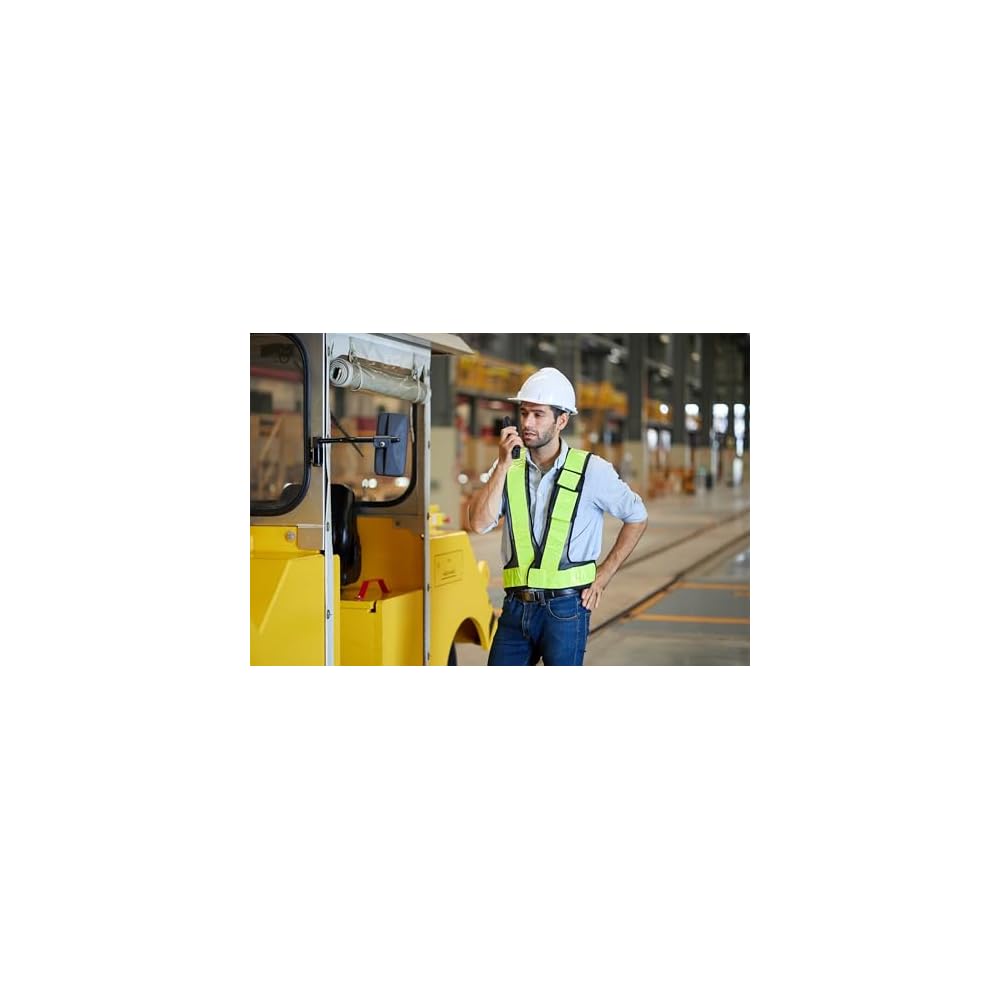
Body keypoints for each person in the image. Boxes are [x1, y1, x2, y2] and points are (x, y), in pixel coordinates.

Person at [467, 367, 648, 665]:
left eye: (538, 415)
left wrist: (603, 576)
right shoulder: (508, 467)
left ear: (561, 420)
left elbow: (637, 516)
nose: (527, 423)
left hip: (566, 610)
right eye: (524, 413)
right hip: (515, 608)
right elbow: (477, 523)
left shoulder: (593, 470)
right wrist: (501, 466)